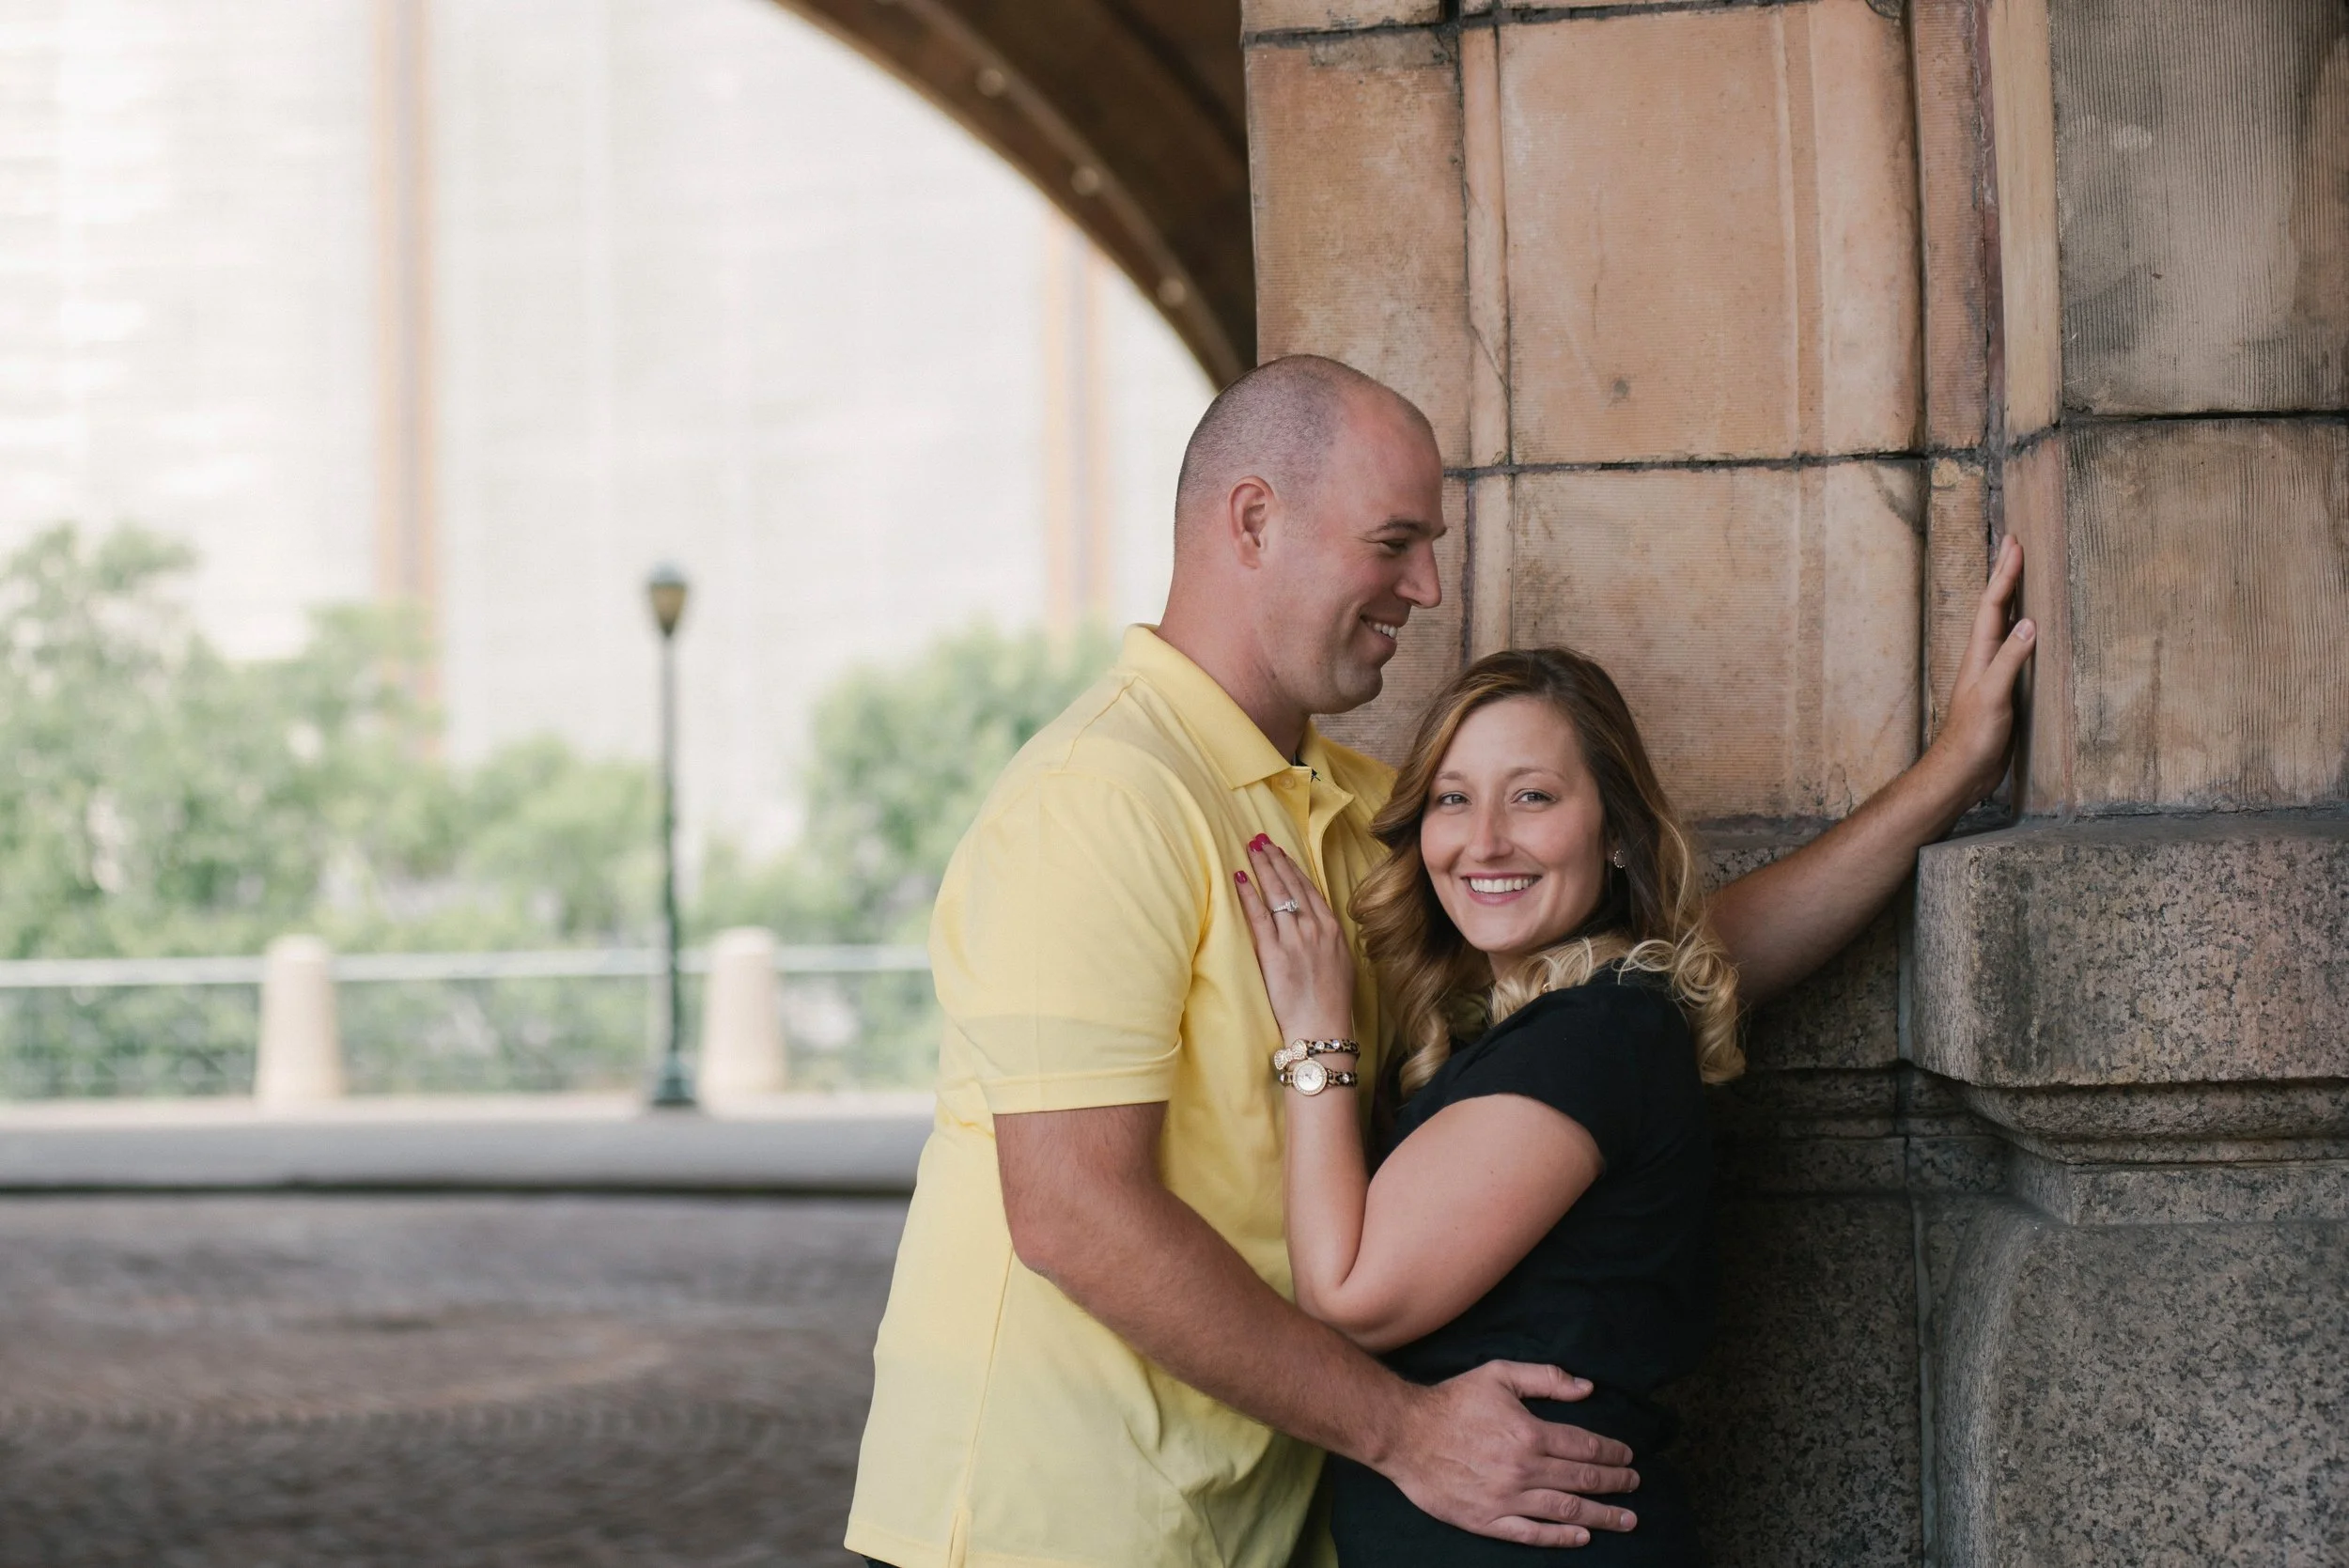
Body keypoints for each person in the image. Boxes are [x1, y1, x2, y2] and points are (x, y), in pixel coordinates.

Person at [845, 355, 2034, 1568]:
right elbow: (1074, 1212)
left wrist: (1946, 777)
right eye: (1395, 540)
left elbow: (1655, 956)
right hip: (1046, 1523)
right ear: (1255, 520)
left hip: (1236, 1515)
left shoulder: (1369, 813)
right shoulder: (1099, 799)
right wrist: (1402, 1431)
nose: (1428, 585)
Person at [1236, 645, 1740, 1563]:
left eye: (1533, 796)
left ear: (1617, 832)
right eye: (1452, 798)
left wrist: (1317, 1033)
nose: (1485, 839)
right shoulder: (1538, 1029)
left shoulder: (1596, 1035)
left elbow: (1349, 1297)